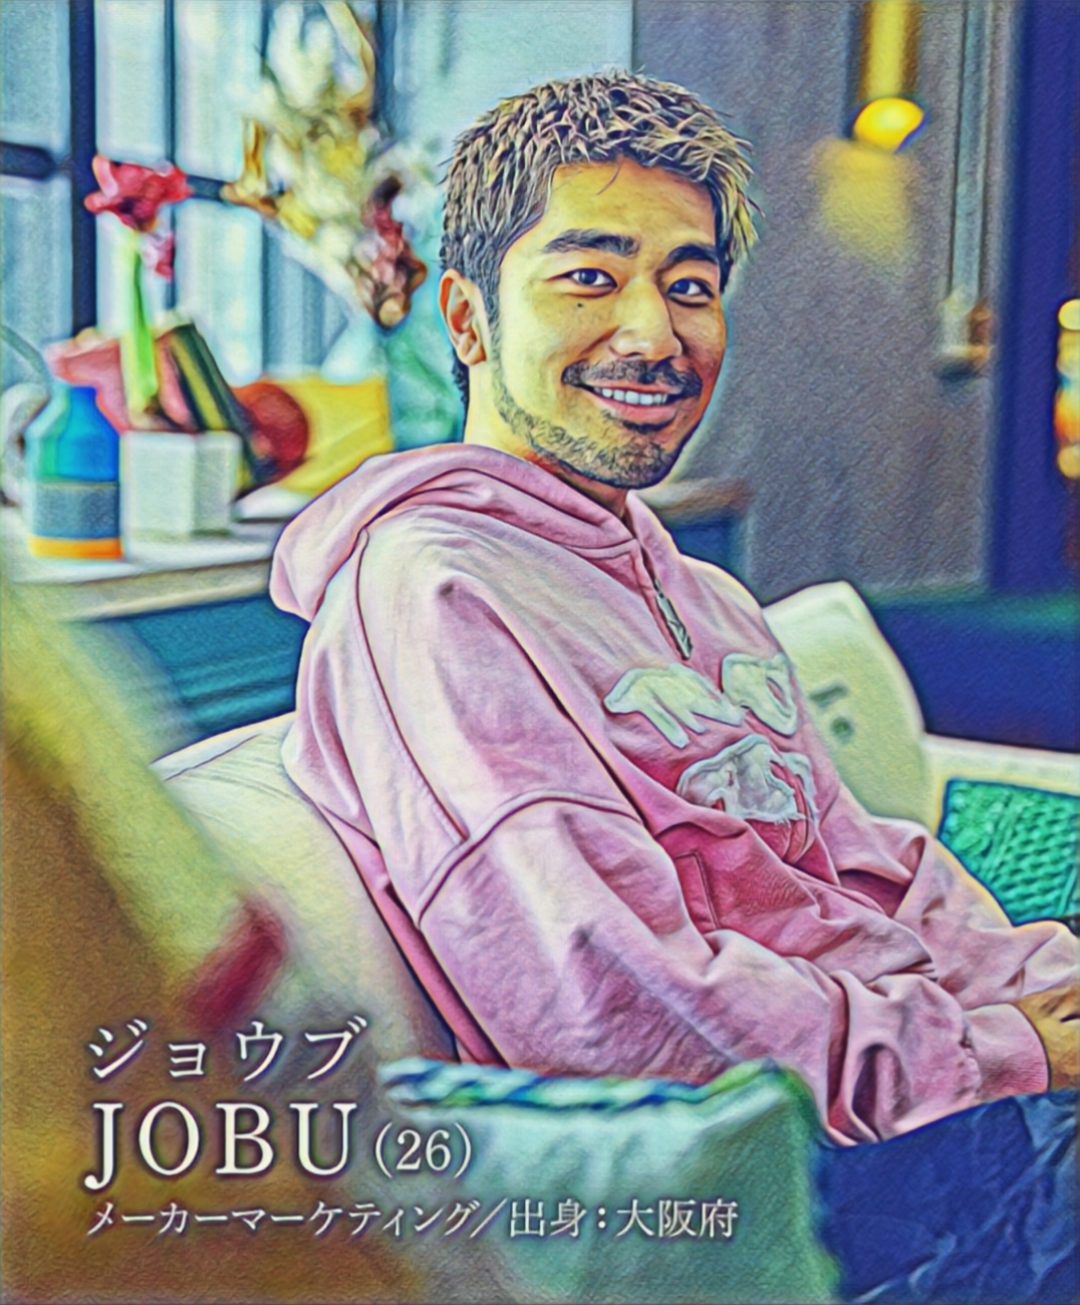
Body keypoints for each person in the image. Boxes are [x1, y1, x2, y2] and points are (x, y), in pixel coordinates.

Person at [270, 72, 1078, 1147]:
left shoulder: (708, 598)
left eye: (689, 287)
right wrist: (1000, 1052)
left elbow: (861, 867)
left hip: (942, 1086)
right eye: (590, 278)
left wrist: (1040, 984)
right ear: (467, 318)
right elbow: (606, 1000)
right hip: (803, 1158)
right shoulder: (438, 596)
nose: (654, 333)